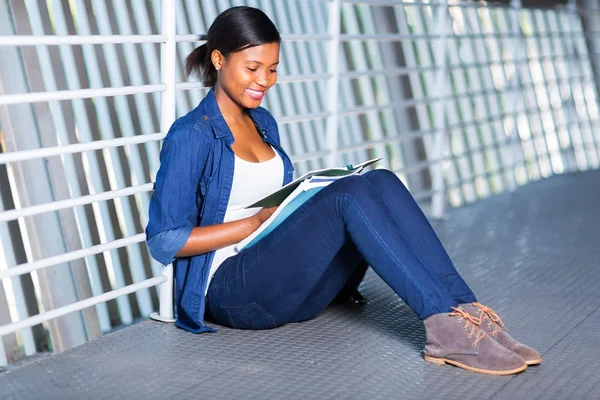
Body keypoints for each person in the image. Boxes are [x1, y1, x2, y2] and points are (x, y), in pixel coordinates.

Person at [145, 6, 541, 376]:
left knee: (380, 180)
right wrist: (253, 223)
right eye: (253, 68)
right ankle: (444, 330)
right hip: (232, 292)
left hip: (284, 284)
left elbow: (278, 214)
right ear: (218, 60)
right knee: (349, 195)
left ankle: (465, 314)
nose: (264, 81)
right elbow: (166, 241)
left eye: (272, 69)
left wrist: (294, 204)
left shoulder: (263, 122)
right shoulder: (191, 135)